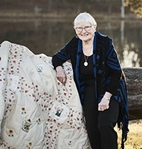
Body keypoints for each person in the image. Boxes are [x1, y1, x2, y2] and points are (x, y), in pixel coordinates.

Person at [52, 12, 129, 149]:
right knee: (92, 129)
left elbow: (116, 72)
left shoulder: (104, 43)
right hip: (88, 91)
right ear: (75, 30)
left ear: (94, 26)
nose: (83, 31)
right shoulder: (75, 44)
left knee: (105, 125)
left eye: (87, 27)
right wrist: (59, 68)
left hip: (109, 89)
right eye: (79, 28)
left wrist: (106, 98)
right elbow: (57, 57)